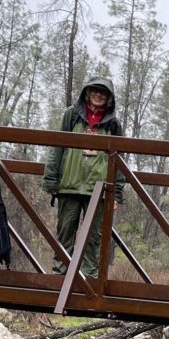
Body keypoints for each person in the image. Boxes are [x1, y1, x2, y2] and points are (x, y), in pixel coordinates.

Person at [43, 77, 124, 277]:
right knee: (65, 230)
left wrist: (117, 192)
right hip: (69, 184)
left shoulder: (113, 124)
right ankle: (60, 274)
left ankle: (89, 277)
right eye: (95, 91)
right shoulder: (71, 115)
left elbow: (119, 159)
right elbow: (57, 146)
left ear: (109, 98)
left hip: (98, 188)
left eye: (103, 93)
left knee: (94, 236)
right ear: (87, 93)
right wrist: (51, 179)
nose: (98, 95)